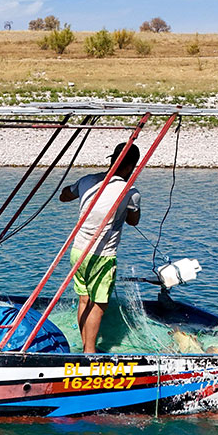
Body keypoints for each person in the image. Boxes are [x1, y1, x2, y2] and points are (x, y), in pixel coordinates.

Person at [58, 142, 142, 353]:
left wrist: (76, 192)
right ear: (131, 166)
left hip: (78, 250)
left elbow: (64, 195)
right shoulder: (130, 191)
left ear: (112, 160)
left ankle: (86, 345)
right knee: (98, 304)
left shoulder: (88, 181)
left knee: (84, 299)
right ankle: (90, 352)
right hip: (102, 255)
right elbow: (134, 221)